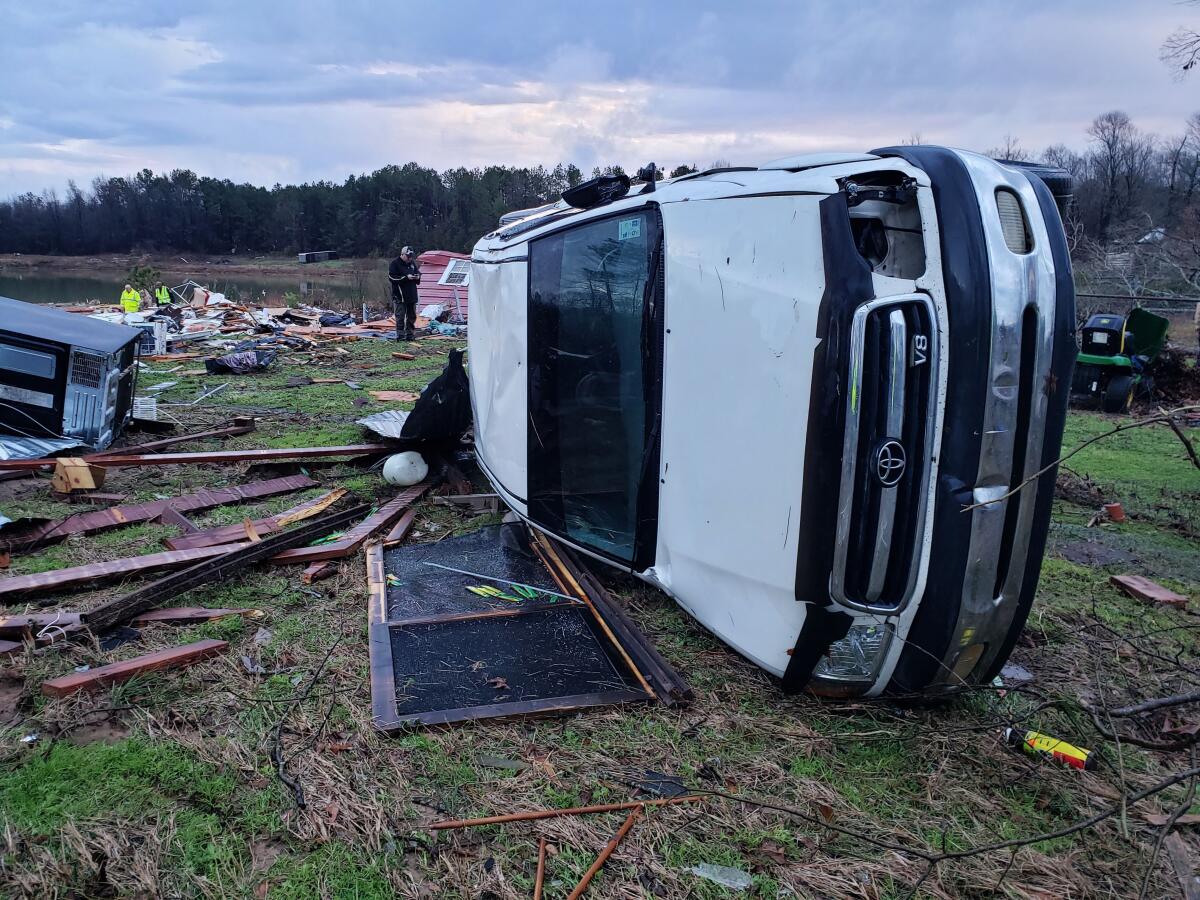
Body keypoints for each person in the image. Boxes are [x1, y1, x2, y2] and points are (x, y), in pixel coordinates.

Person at [388, 246, 421, 341]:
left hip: (411, 294)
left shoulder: (412, 264)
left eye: (411, 256)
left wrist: (417, 277)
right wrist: (406, 278)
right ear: (402, 255)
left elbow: (417, 273)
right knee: (400, 316)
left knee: (412, 316)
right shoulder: (395, 264)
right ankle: (400, 336)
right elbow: (392, 278)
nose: (410, 258)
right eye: (408, 256)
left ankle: (410, 334)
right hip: (400, 295)